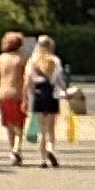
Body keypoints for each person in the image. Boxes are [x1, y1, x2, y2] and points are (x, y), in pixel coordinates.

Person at [23, 35, 69, 169]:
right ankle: (50, 148)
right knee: (51, 128)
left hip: (38, 95)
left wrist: (26, 98)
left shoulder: (33, 61)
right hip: (52, 94)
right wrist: (65, 92)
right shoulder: (55, 60)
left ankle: (43, 159)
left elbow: (27, 81)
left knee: (42, 130)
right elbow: (60, 80)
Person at [0, 30, 31, 165]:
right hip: (18, 94)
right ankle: (17, 149)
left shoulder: (1, 58)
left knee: (9, 124)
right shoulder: (23, 59)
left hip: (3, 94)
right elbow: (27, 78)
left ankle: (12, 149)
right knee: (19, 125)